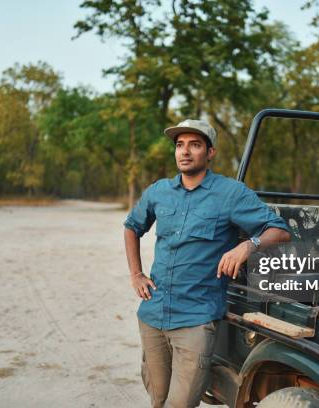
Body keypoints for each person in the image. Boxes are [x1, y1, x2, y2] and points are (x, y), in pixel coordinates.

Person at [123, 119, 291, 408]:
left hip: (195, 318)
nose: (185, 152)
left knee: (180, 403)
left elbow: (281, 230)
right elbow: (131, 226)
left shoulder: (230, 193)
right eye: (179, 145)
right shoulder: (159, 191)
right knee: (158, 398)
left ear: (210, 152)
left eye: (195, 145)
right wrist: (136, 274)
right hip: (153, 313)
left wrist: (246, 246)